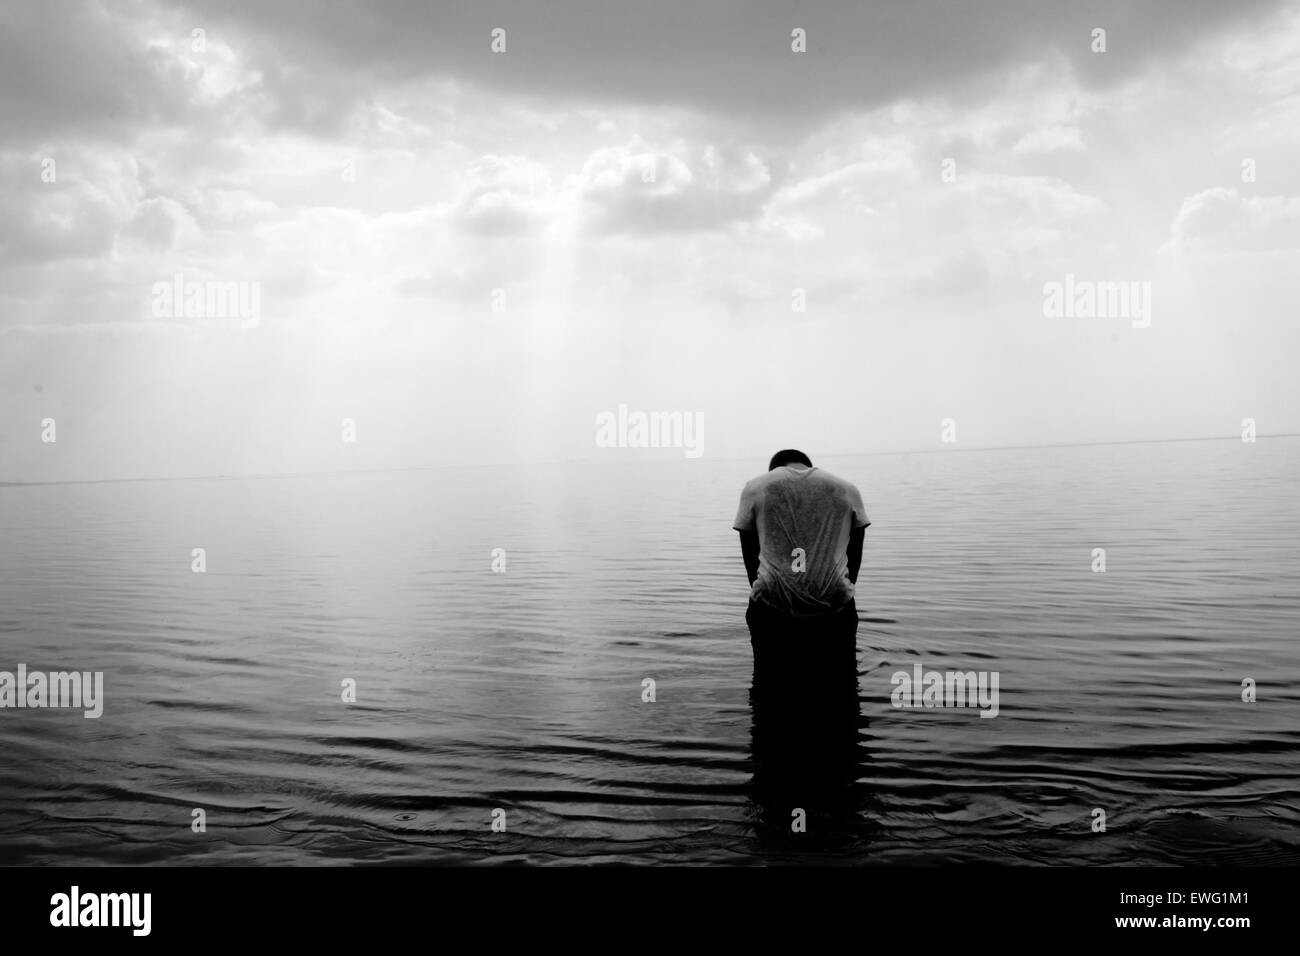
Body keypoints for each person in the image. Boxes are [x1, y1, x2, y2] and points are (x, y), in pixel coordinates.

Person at [732, 449, 869, 678]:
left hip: (773, 602)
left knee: (769, 681)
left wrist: (766, 587)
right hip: (834, 603)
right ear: (807, 465)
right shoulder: (846, 489)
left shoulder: (756, 488)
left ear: (775, 468)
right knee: (841, 683)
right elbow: (855, 551)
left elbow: (750, 554)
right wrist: (841, 586)